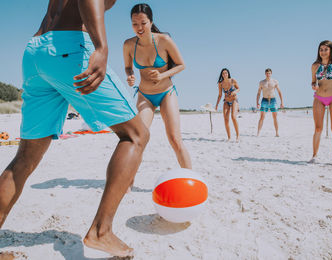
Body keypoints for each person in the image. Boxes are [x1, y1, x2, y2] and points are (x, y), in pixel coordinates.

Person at [0, 0, 150, 257]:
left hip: (36, 53)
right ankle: (101, 232)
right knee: (136, 134)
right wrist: (102, 47)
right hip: (69, 49)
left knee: (24, 158)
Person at [123, 3, 192, 170]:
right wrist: (130, 76)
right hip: (144, 95)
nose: (139, 27)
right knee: (138, 139)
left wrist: (162, 75)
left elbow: (181, 65)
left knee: (175, 139)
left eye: (143, 23)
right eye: (135, 24)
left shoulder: (164, 41)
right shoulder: (128, 45)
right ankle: (127, 183)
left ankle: (191, 177)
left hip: (166, 93)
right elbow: (127, 67)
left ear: (151, 22)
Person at [256, 68, 284, 137]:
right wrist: (257, 102)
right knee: (262, 117)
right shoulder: (261, 82)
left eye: (269, 73)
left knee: (275, 117)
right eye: (267, 73)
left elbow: (279, 92)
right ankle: (258, 132)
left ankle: (277, 133)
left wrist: (282, 102)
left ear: (271, 74)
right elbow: (259, 93)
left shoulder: (275, 81)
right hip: (264, 100)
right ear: (265, 74)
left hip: (273, 100)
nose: (268, 74)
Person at [215, 68, 240, 142]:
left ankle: (238, 136)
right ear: (221, 75)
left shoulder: (232, 80)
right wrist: (216, 105)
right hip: (226, 101)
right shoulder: (221, 83)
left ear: (228, 73)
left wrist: (235, 91)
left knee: (233, 117)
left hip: (234, 100)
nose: (225, 74)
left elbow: (238, 88)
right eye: (223, 73)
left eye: (226, 73)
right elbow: (219, 95)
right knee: (226, 120)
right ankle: (229, 137)